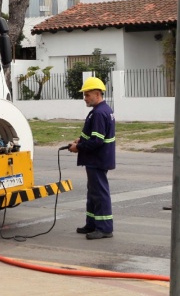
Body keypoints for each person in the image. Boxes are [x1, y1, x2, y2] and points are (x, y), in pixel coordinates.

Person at [67, 76, 115, 240]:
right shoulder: (100, 111)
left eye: (87, 95)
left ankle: (104, 228)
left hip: (98, 159)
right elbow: (95, 136)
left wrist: (78, 147)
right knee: (93, 193)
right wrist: (81, 141)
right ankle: (92, 224)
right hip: (96, 159)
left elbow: (97, 141)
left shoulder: (100, 113)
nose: (85, 98)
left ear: (97, 93)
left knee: (100, 194)